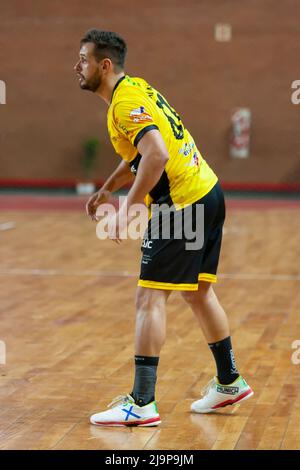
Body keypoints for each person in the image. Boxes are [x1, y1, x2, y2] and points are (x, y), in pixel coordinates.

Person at [74, 29, 253, 427]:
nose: (76, 66)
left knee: (148, 299)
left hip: (182, 205)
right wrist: (107, 189)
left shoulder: (123, 105)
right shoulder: (135, 89)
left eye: (83, 59)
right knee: (199, 293)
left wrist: (126, 211)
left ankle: (141, 403)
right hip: (208, 191)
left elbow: (156, 153)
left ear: (104, 65)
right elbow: (140, 155)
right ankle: (228, 381)